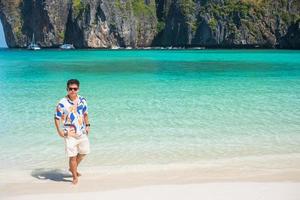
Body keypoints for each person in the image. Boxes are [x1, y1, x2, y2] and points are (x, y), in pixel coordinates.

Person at [54, 79, 90, 184]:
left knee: (84, 152)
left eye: (75, 89)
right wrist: (60, 132)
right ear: (67, 89)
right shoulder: (62, 103)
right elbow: (56, 118)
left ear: (78, 89)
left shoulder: (83, 100)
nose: (73, 91)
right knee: (72, 156)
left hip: (82, 132)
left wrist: (87, 125)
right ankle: (74, 176)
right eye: (70, 89)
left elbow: (85, 114)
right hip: (69, 134)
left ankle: (72, 168)